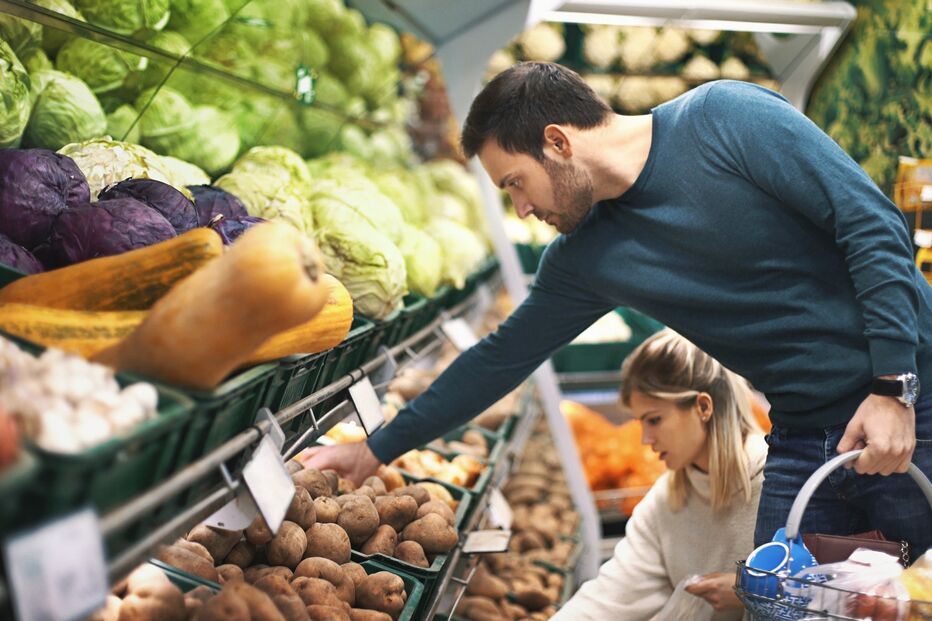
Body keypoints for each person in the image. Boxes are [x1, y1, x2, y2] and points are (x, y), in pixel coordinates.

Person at [300, 62, 932, 554]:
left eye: (514, 182)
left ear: (557, 141)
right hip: (804, 431)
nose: (520, 209)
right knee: (783, 604)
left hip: (915, 400)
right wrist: (376, 448)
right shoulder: (586, 256)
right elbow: (499, 358)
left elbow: (873, 225)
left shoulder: (725, 119)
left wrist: (892, 385)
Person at [553, 329, 764, 620]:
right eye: (641, 423)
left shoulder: (775, 486)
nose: (645, 439)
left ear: (703, 407)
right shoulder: (667, 500)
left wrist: (754, 591)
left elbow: (828, 585)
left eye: (655, 420)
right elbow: (612, 596)